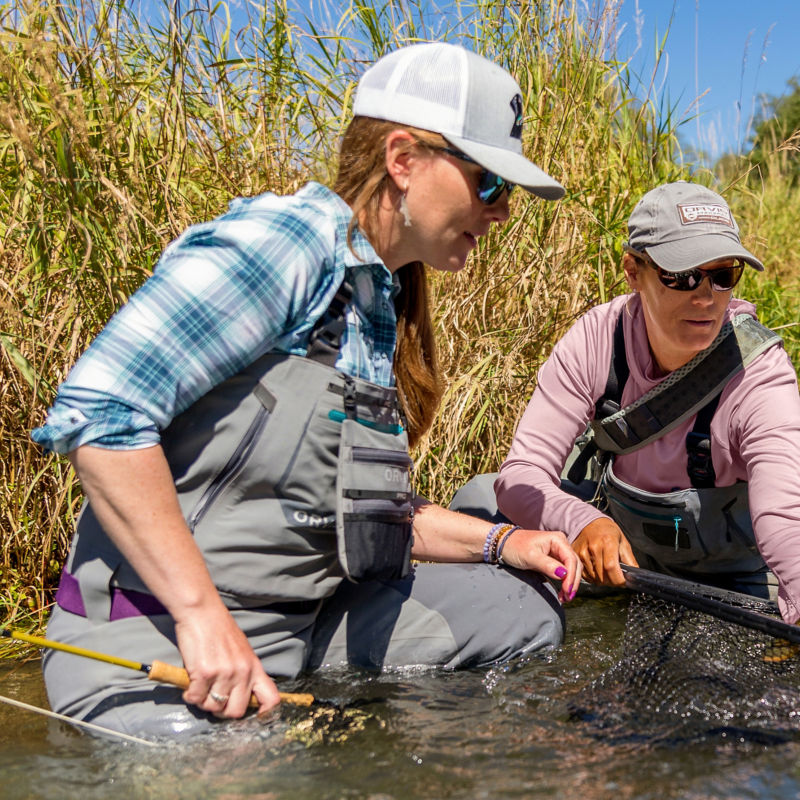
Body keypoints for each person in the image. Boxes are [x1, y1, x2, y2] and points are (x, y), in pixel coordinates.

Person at [32, 41, 581, 738]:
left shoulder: (380, 299)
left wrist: (507, 544)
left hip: (297, 629)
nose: (500, 213)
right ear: (403, 159)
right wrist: (200, 615)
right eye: (490, 185)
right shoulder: (288, 244)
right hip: (161, 640)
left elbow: (374, 513)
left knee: (522, 612)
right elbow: (100, 416)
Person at [451, 181, 800, 625]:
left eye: (723, 275)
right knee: (476, 499)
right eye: (683, 275)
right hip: (620, 562)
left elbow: (787, 517)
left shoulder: (760, 374)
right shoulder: (596, 340)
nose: (706, 296)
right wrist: (581, 521)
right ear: (633, 272)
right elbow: (520, 475)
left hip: (726, 581)